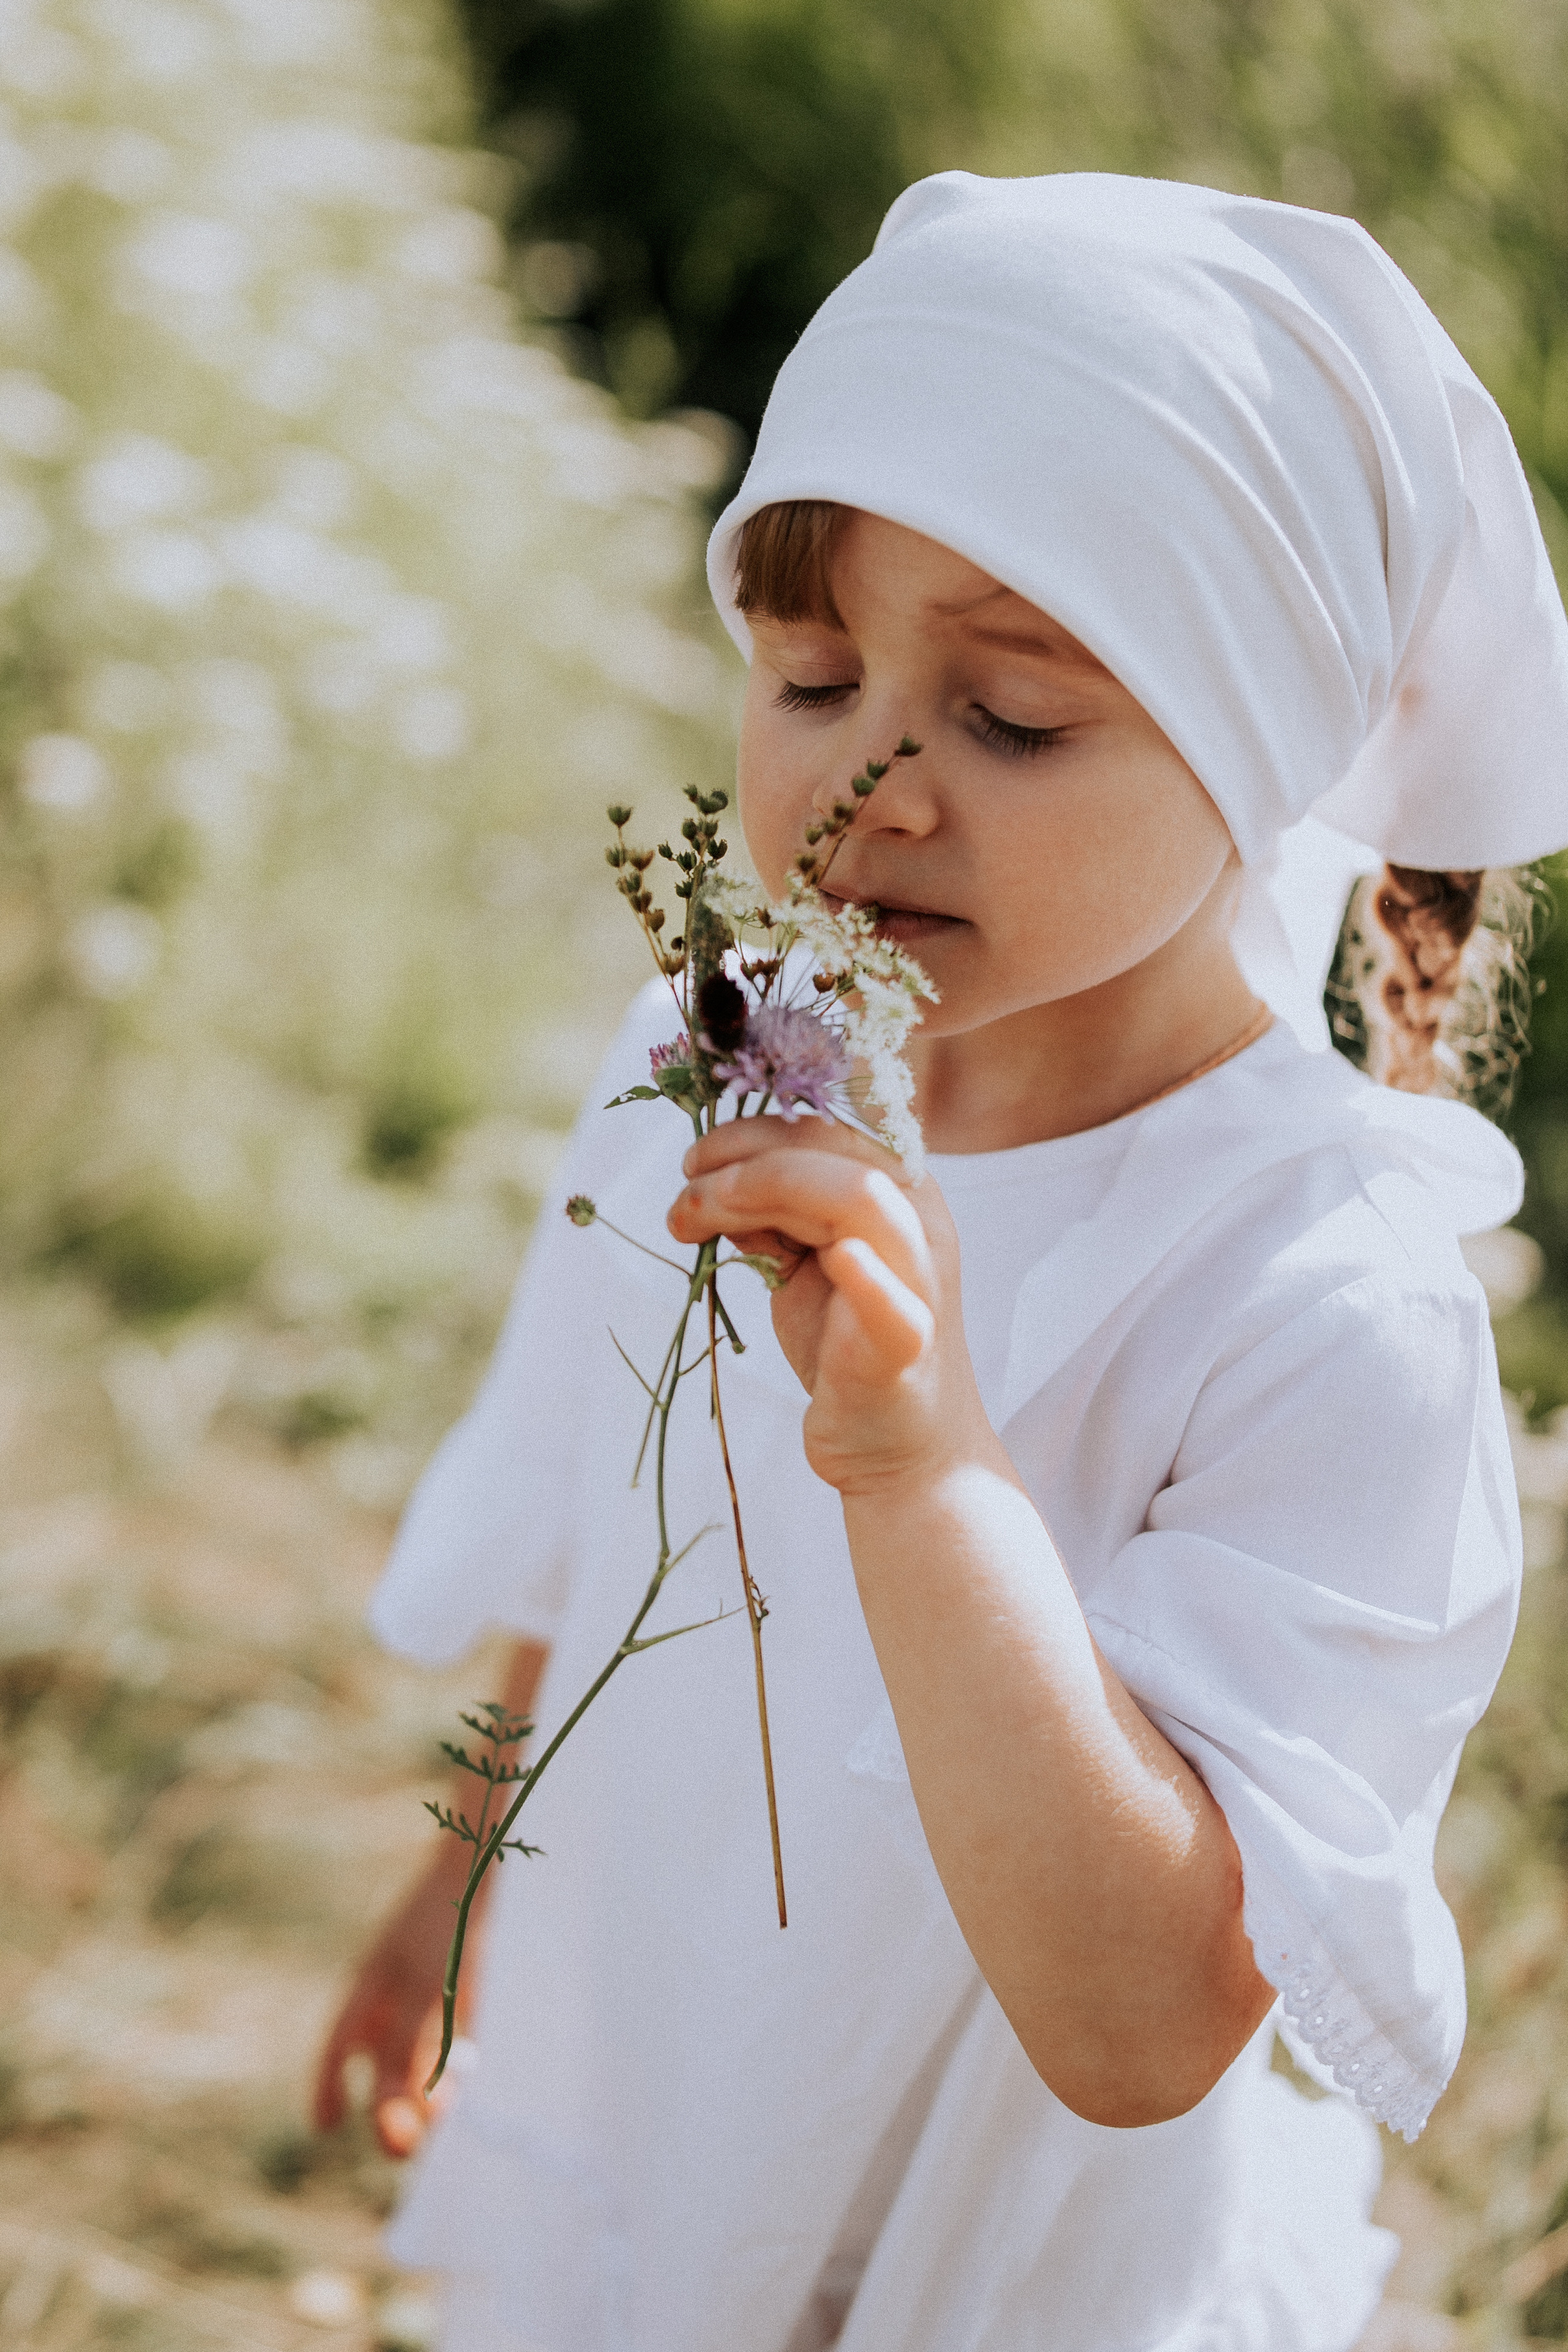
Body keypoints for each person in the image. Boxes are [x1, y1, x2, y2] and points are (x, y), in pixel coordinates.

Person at [315, 172, 1568, 2351]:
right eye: (811, 675)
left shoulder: (1323, 1297)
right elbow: (602, 1519)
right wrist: (464, 1883)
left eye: (1014, 721)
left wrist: (926, 1466)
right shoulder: (721, 1057)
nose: (870, 783)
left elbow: (1139, 2027)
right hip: (663, 2058)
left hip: (977, 2251)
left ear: (1267, 747)